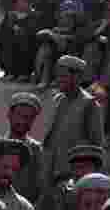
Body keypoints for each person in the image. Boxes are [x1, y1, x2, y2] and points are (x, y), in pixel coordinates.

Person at [42, 55, 105, 186]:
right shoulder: (57, 100)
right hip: (52, 171)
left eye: (63, 76)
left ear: (76, 78)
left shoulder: (89, 104)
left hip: (73, 175)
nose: (59, 80)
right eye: (58, 76)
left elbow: (96, 145)